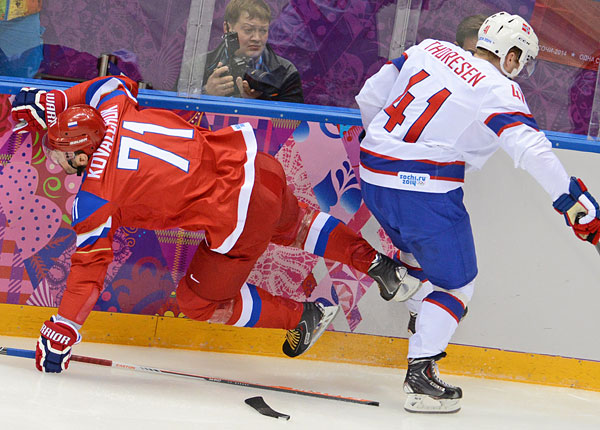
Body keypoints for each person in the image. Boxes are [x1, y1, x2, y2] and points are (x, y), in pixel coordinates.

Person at [10, 75, 422, 373]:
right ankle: (380, 266)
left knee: (197, 303)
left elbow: (88, 272)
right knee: (297, 224)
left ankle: (303, 317)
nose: (56, 160)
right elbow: (111, 83)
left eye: (60, 153)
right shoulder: (112, 105)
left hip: (236, 217)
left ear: (83, 156)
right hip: (255, 165)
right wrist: (56, 99)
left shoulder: (95, 198)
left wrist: (63, 328)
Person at [355, 11, 600, 413]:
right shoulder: (498, 88)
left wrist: (385, 151)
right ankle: (422, 374)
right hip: (425, 192)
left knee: (416, 252)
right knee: (457, 285)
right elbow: (532, 150)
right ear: (511, 55)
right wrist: (574, 204)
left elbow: (369, 94)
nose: (521, 69)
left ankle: (417, 308)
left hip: (373, 178)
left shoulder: (430, 49)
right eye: (522, 60)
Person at [403, 13, 487, 337]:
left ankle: (421, 314)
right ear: (457, 50)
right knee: (418, 251)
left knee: (429, 255)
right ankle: (419, 315)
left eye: (485, 54)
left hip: (437, 186)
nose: (477, 62)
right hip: (410, 179)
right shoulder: (430, 75)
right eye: (472, 53)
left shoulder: (491, 92)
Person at [202, 0, 303, 103]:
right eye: (248, 30)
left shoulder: (285, 72)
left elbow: (292, 113)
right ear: (227, 28)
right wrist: (206, 93)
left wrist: (259, 101)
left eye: (263, 31)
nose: (257, 38)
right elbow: (190, 109)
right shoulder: (199, 66)